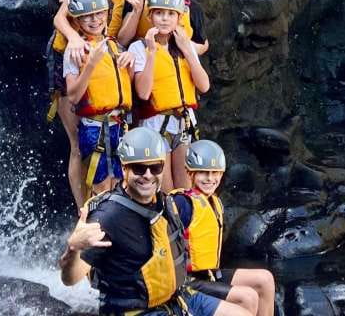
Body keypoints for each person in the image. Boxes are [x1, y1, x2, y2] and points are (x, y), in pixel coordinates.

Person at [59, 128, 252, 316]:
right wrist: (73, 249)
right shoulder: (107, 216)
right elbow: (70, 278)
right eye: (139, 168)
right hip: (137, 310)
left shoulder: (165, 203)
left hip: (177, 298)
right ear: (124, 168)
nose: (148, 175)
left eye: (155, 167)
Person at [46, 0, 149, 122]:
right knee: (74, 130)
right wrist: (74, 39)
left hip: (100, 55)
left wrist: (136, 11)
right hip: (70, 51)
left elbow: (121, 40)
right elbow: (60, 18)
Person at [171, 140, 277, 316]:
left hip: (209, 274)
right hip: (187, 280)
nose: (210, 179)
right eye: (203, 173)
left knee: (265, 279)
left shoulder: (214, 201)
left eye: (215, 173)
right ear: (190, 172)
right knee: (247, 297)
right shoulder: (182, 203)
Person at [58, 0, 135, 206]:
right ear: (77, 21)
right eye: (87, 16)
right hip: (94, 127)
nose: (95, 20)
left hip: (118, 125)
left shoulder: (114, 47)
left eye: (99, 13)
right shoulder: (75, 50)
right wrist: (90, 65)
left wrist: (129, 65)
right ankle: (95, 223)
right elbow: (74, 96)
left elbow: (124, 87)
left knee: (120, 185)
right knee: (100, 187)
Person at [129, 0, 210, 191]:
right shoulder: (139, 48)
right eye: (159, 13)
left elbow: (204, 86)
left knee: (185, 190)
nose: (165, 19)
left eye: (170, 14)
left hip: (182, 124)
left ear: (179, 17)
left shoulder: (185, 45)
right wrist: (151, 53)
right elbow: (143, 93)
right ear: (150, 16)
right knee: (165, 191)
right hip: (155, 125)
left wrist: (188, 51)